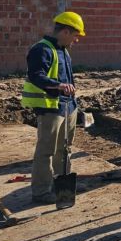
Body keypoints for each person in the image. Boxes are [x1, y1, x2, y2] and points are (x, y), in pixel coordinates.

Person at [21, 11, 84, 204]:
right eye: (75, 35)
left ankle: (62, 185)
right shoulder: (42, 49)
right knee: (46, 150)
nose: (76, 40)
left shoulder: (63, 50)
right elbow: (36, 75)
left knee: (64, 149)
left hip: (68, 106)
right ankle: (40, 192)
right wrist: (58, 86)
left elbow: (68, 79)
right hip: (51, 109)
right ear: (65, 31)